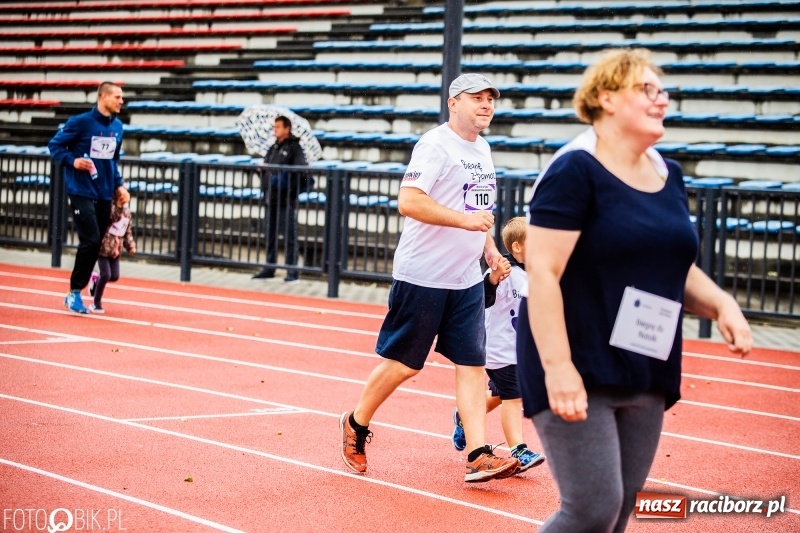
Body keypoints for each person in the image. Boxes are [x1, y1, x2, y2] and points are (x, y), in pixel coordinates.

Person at [516, 48, 752, 531]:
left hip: (645, 358)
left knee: (622, 508)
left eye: (661, 90)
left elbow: (671, 266)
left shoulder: (670, 175)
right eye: (647, 90)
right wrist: (559, 369)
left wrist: (722, 302)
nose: (660, 100)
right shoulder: (575, 169)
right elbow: (543, 271)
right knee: (592, 509)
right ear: (606, 97)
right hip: (576, 358)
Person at [339, 73, 520, 483]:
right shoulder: (435, 145)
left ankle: (476, 453)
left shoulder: (485, 149)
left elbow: (478, 209)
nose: (486, 104)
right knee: (404, 364)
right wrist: (464, 221)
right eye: (477, 97)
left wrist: (489, 249)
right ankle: (355, 422)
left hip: (466, 279)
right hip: (423, 274)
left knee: (473, 364)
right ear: (453, 102)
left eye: (491, 98)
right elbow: (409, 201)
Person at [451, 216, 545, 475]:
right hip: (498, 348)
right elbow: (484, 299)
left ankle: (463, 416)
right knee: (514, 397)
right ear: (517, 247)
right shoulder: (503, 273)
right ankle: (519, 449)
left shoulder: (536, 272)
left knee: (502, 393)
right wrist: (493, 279)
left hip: (520, 349)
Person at [49, 81, 126, 314]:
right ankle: (73, 293)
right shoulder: (80, 123)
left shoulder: (119, 127)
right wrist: (72, 161)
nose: (121, 101)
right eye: (117, 97)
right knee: (91, 239)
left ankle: (90, 276)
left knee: (96, 241)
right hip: (81, 190)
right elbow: (55, 146)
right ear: (103, 97)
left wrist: (119, 185)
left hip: (104, 193)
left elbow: (113, 160)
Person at [252, 115, 309, 283]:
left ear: (287, 128)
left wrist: (280, 174)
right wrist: (262, 169)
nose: (275, 130)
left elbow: (300, 170)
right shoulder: (273, 147)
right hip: (271, 197)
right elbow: (267, 166)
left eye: (278, 127)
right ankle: (269, 267)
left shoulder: (294, 147)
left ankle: (292, 271)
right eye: (274, 127)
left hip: (286, 199)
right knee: (270, 235)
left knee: (289, 236)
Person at [88, 187, 136, 313]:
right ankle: (96, 303)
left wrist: (130, 245)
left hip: (115, 249)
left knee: (114, 276)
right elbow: (114, 218)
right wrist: (118, 206)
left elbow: (127, 231)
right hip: (103, 247)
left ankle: (95, 279)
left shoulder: (127, 212)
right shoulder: (110, 208)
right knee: (106, 274)